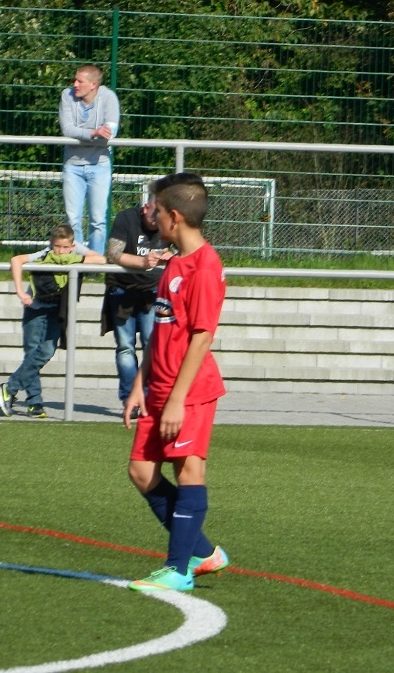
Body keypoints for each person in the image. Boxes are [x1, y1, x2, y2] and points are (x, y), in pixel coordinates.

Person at [123, 173, 230, 592]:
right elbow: (161, 330)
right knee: (140, 471)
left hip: (190, 393)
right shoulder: (173, 264)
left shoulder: (205, 266)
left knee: (189, 471)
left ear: (174, 217)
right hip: (160, 388)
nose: (151, 215)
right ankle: (202, 552)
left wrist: (177, 399)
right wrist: (140, 384)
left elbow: (202, 337)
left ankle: (178, 568)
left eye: (156, 209)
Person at [0, 223, 106, 419]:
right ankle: (34, 403)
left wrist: (72, 259)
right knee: (32, 353)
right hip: (35, 308)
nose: (60, 251)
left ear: (72, 246)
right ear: (51, 244)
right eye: (57, 247)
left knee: (46, 351)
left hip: (56, 310)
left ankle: (8, 388)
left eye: (65, 247)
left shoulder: (75, 250)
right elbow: (17, 260)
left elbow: (101, 260)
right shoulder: (44, 254)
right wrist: (20, 292)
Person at [101, 194, 173, 409]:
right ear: (145, 207)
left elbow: (185, 249)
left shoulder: (169, 223)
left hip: (153, 291)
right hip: (122, 289)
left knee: (152, 344)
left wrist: (172, 256)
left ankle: (147, 398)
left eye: (161, 214)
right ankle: (129, 399)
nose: (157, 218)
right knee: (125, 347)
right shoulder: (126, 217)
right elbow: (114, 253)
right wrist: (143, 262)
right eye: (154, 213)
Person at [58, 64, 121, 255]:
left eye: (80, 81)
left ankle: (96, 261)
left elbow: (110, 133)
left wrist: (85, 136)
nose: (74, 84)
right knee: (73, 219)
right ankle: (77, 261)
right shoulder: (67, 95)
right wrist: (93, 133)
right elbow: (67, 129)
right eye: (75, 80)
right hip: (73, 165)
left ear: (93, 84)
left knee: (98, 220)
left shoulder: (108, 97)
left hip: (99, 165)